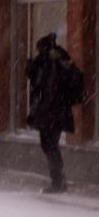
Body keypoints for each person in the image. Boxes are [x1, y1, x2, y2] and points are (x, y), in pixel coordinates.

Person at [25, 32, 85, 194]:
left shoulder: (47, 63)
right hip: (57, 113)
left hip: (50, 113)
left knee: (49, 145)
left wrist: (34, 62)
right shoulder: (59, 61)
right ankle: (58, 180)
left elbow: (34, 77)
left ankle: (58, 182)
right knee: (51, 145)